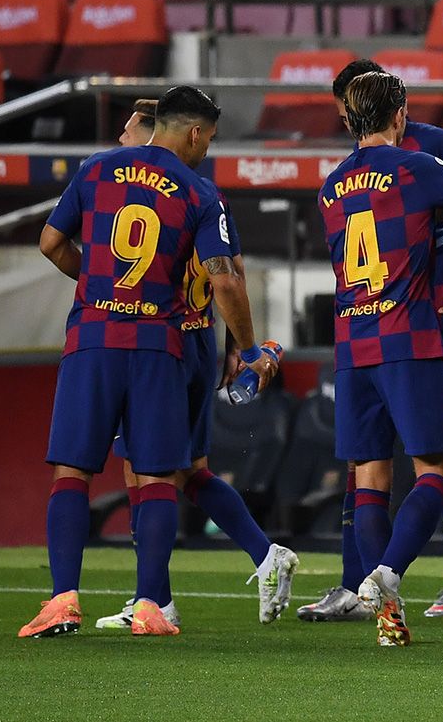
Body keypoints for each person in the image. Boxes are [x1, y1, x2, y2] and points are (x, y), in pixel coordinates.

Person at [22, 86, 280, 638]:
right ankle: (149, 606)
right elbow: (225, 277)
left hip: (92, 337)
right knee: (162, 474)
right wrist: (250, 348)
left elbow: (49, 241)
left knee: (73, 470)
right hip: (158, 346)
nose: (207, 149)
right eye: (208, 138)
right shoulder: (199, 191)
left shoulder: (95, 170)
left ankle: (62, 600)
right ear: (192, 132)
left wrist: (97, 284)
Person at [297, 59, 443, 623]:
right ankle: (387, 575)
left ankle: (389, 612)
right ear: (400, 114)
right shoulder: (417, 167)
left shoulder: (329, 186)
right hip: (412, 335)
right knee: (437, 470)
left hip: (352, 345)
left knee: (370, 477)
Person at [94, 99, 300, 630]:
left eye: (128, 131)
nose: (121, 141)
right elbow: (232, 268)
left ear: (151, 138)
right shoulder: (201, 197)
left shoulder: (149, 193)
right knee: (185, 472)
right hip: (195, 341)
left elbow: (222, 273)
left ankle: (154, 600)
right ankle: (255, 557)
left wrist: (241, 345)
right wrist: (234, 343)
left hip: (161, 345)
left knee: (148, 471)